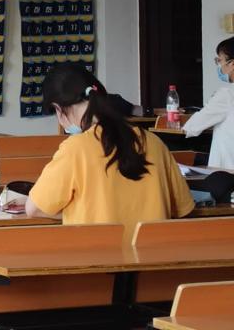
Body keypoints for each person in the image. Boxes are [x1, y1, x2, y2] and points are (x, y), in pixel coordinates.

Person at [25, 63, 194, 237]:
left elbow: (33, 209)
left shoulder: (75, 149)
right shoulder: (154, 142)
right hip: (152, 252)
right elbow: (182, 208)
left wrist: (75, 211)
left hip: (100, 252)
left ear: (59, 109)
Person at [182, 36, 234, 169]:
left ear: (232, 64)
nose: (219, 65)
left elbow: (192, 127)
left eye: (219, 60)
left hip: (227, 173)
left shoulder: (227, 95)